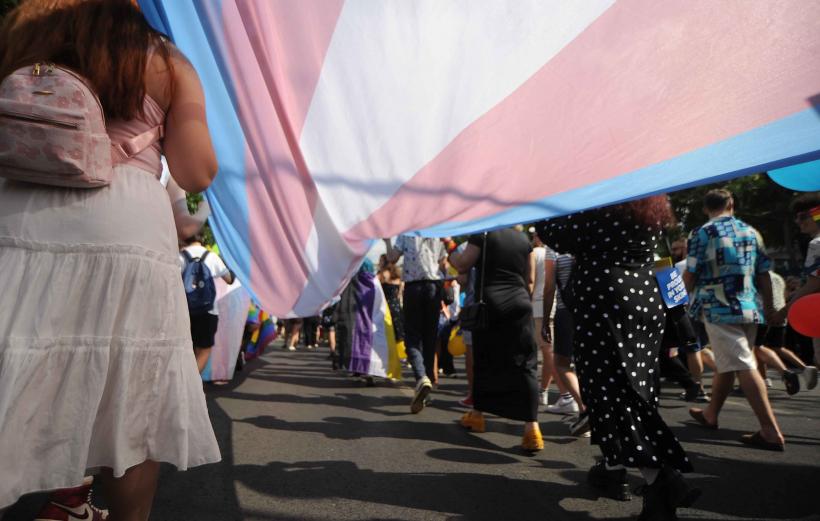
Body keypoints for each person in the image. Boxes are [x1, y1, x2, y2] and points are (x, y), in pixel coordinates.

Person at [0, 1, 220, 518]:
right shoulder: (165, 61)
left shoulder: (22, 42)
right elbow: (196, 172)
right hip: (124, 228)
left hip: (18, 212)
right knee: (130, 397)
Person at [538, 196, 699, 520]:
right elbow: (661, 259)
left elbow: (552, 232)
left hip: (606, 300)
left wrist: (548, 192)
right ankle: (613, 467)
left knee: (612, 393)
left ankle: (660, 478)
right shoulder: (648, 211)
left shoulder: (598, 206)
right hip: (644, 298)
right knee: (635, 388)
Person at [683, 189, 785, 452]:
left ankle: (769, 430)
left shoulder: (701, 233)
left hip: (717, 306)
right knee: (730, 362)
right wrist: (772, 306)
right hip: (750, 306)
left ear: (706, 209)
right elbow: (764, 273)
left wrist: (678, 304)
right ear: (732, 204)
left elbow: (691, 273)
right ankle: (710, 414)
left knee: (741, 362)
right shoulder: (752, 232)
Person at [449, 229, 544, 452]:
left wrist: (450, 246)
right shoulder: (524, 239)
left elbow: (462, 264)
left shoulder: (482, 234)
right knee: (525, 363)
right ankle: (532, 428)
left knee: (485, 358)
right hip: (520, 301)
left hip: (491, 303)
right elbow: (529, 279)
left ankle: (478, 416)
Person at [384, 236, 447, 413]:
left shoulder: (407, 232)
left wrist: (387, 241)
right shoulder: (438, 229)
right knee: (429, 338)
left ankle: (421, 377)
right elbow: (444, 263)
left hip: (413, 287)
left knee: (411, 337)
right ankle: (426, 384)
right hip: (433, 287)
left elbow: (392, 258)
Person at [541, 252, 590, 436]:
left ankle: (584, 409)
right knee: (587, 364)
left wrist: (546, 320)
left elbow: (549, 288)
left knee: (562, 363)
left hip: (566, 311)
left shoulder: (554, 250)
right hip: (591, 311)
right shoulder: (588, 239)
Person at [774, 192, 820, 367]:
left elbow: (813, 285)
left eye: (802, 217)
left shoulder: (816, 244)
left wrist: (783, 311)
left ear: (817, 214)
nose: (798, 222)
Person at [180, 235, 235, 373]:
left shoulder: (179, 256)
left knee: (187, 349)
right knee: (203, 350)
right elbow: (229, 279)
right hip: (208, 311)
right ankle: (191, 384)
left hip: (184, 310)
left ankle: (185, 383)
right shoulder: (212, 256)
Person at [531, 232, 558, 405]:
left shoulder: (533, 254)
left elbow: (531, 281)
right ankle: (544, 391)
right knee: (549, 350)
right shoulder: (554, 251)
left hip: (538, 305)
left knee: (547, 352)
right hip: (554, 304)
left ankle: (564, 391)